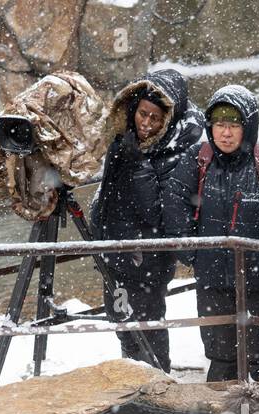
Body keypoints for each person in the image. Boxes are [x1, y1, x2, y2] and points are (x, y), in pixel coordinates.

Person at [162, 85, 259, 384]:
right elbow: (174, 202)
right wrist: (192, 252)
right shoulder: (199, 160)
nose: (225, 133)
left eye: (234, 125)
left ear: (247, 126)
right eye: (219, 125)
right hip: (214, 280)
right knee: (221, 357)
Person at [91, 69, 204, 373]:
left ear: (167, 118)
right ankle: (133, 383)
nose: (146, 123)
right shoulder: (122, 141)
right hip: (117, 252)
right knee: (123, 323)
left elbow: (159, 213)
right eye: (142, 114)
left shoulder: (177, 152)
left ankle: (157, 385)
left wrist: (138, 164)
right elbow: (108, 196)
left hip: (149, 259)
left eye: (155, 118)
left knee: (148, 327)